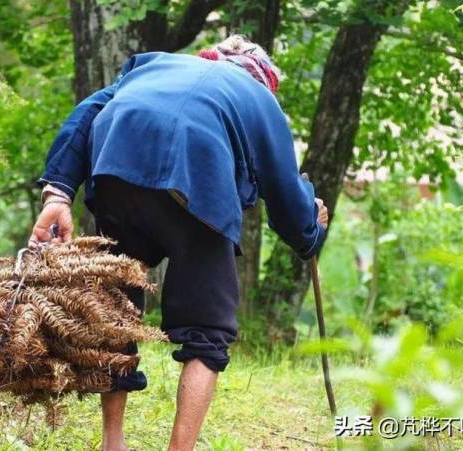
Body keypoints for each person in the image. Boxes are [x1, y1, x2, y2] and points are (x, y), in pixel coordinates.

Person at [28, 35, 329, 451]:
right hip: (196, 184)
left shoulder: (152, 64)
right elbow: (287, 197)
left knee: (115, 309)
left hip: (116, 168)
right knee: (208, 331)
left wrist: (58, 193)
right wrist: (312, 231)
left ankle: (112, 443)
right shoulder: (261, 101)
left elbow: (85, 116)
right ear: (263, 81)